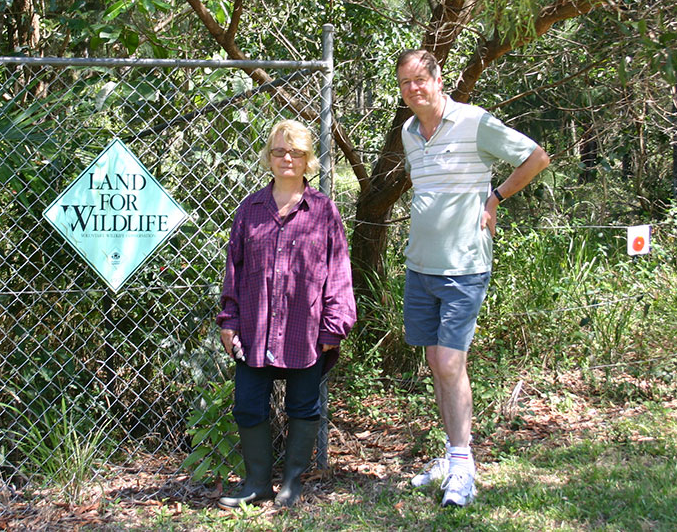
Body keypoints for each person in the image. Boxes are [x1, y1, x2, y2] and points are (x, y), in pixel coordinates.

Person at [395, 49, 550, 507]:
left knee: (448, 364)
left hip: (465, 267)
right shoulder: (408, 132)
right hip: (420, 265)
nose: (413, 89)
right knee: (434, 364)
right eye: (405, 82)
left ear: (439, 79)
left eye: (421, 79)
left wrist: (496, 197)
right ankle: (450, 455)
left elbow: (536, 157)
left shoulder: (474, 121)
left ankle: (462, 467)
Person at [216, 119, 357, 508]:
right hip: (255, 327)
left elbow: (338, 271)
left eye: (295, 151)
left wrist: (334, 325)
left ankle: (292, 484)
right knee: (247, 402)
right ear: (269, 157)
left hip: (306, 328)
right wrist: (229, 320)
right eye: (279, 151)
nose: (287, 158)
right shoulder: (250, 209)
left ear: (308, 159)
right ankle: (256, 484)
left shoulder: (324, 211)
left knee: (304, 405)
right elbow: (235, 268)